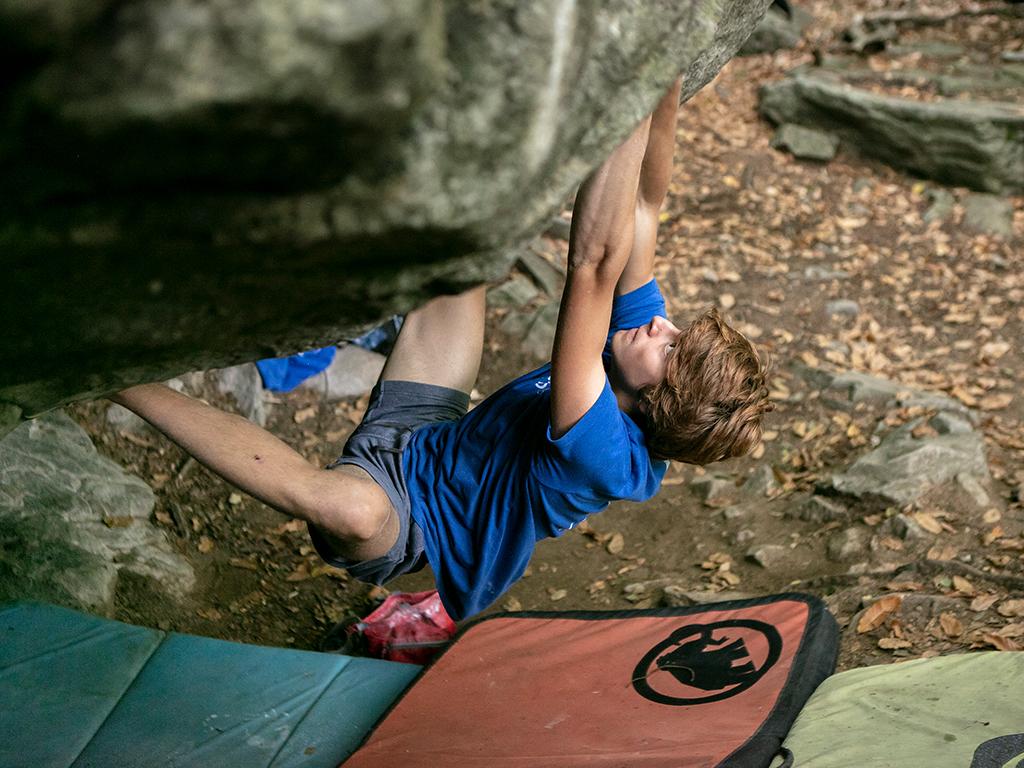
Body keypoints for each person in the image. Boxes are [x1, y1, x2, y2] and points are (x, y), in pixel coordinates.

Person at [112, 77, 770, 621]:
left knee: (347, 507)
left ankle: (115, 381)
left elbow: (594, 265)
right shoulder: (638, 353)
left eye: (673, 351)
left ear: (655, 404)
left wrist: (628, 78)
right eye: (676, 332)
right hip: (428, 427)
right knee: (468, 250)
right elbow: (645, 208)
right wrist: (664, 80)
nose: (663, 327)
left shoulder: (607, 453)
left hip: (407, 517)